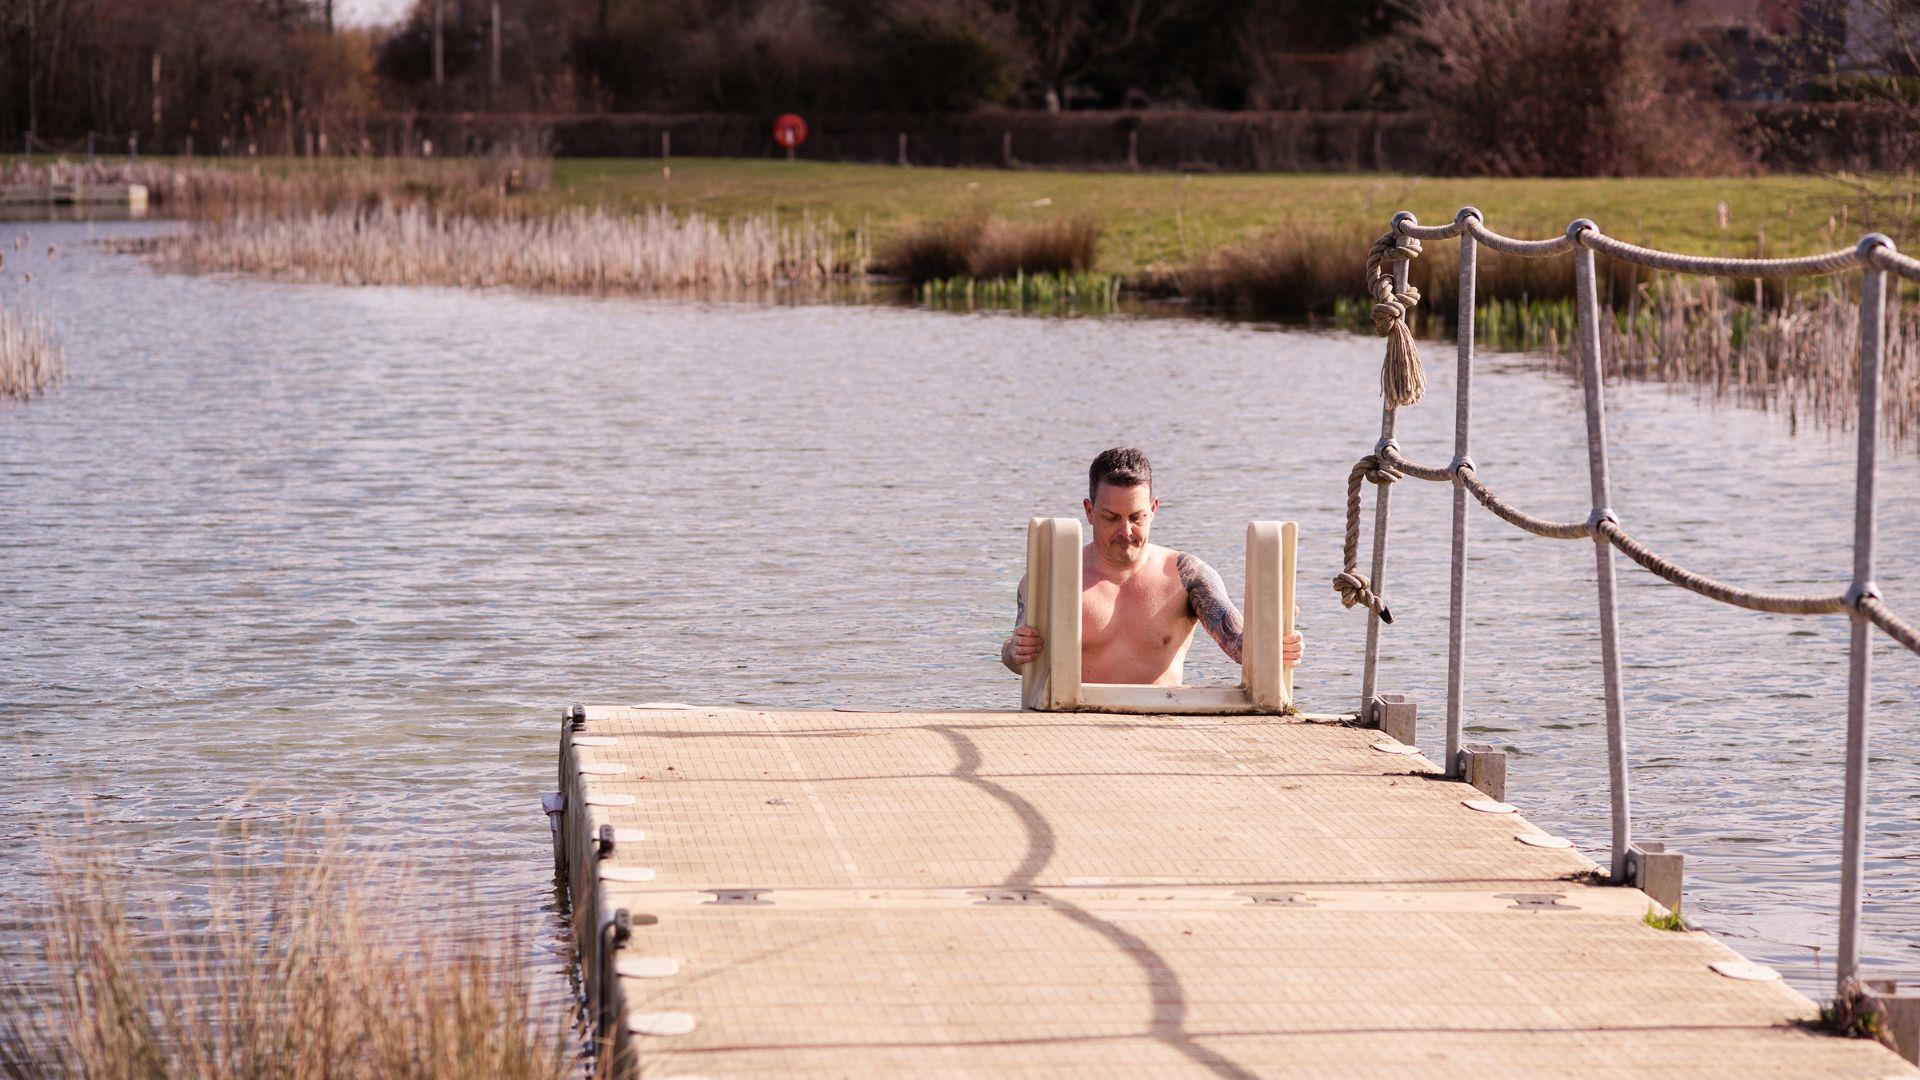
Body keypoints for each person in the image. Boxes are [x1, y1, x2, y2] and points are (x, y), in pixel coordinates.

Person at [1000, 447, 1303, 685]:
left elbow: (1240, 646)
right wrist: (1014, 652)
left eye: (1136, 517)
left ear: (1154, 509)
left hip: (1161, 725)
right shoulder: (1052, 576)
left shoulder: (1186, 575)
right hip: (1074, 723)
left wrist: (1274, 644)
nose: (1126, 532)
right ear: (1089, 512)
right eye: (1111, 518)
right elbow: (1019, 653)